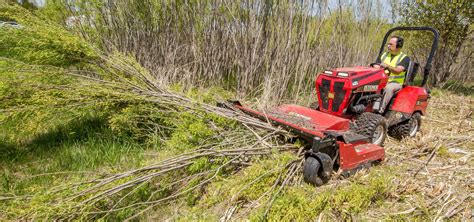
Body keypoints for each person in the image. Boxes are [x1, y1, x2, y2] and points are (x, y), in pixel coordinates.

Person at [373, 35, 410, 113]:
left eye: (391, 44)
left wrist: (387, 66)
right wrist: (375, 66)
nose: (388, 46)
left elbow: (398, 71)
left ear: (398, 46)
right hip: (382, 80)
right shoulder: (384, 54)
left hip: (396, 83)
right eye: (388, 44)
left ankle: (379, 111)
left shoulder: (404, 58)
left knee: (388, 88)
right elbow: (376, 65)